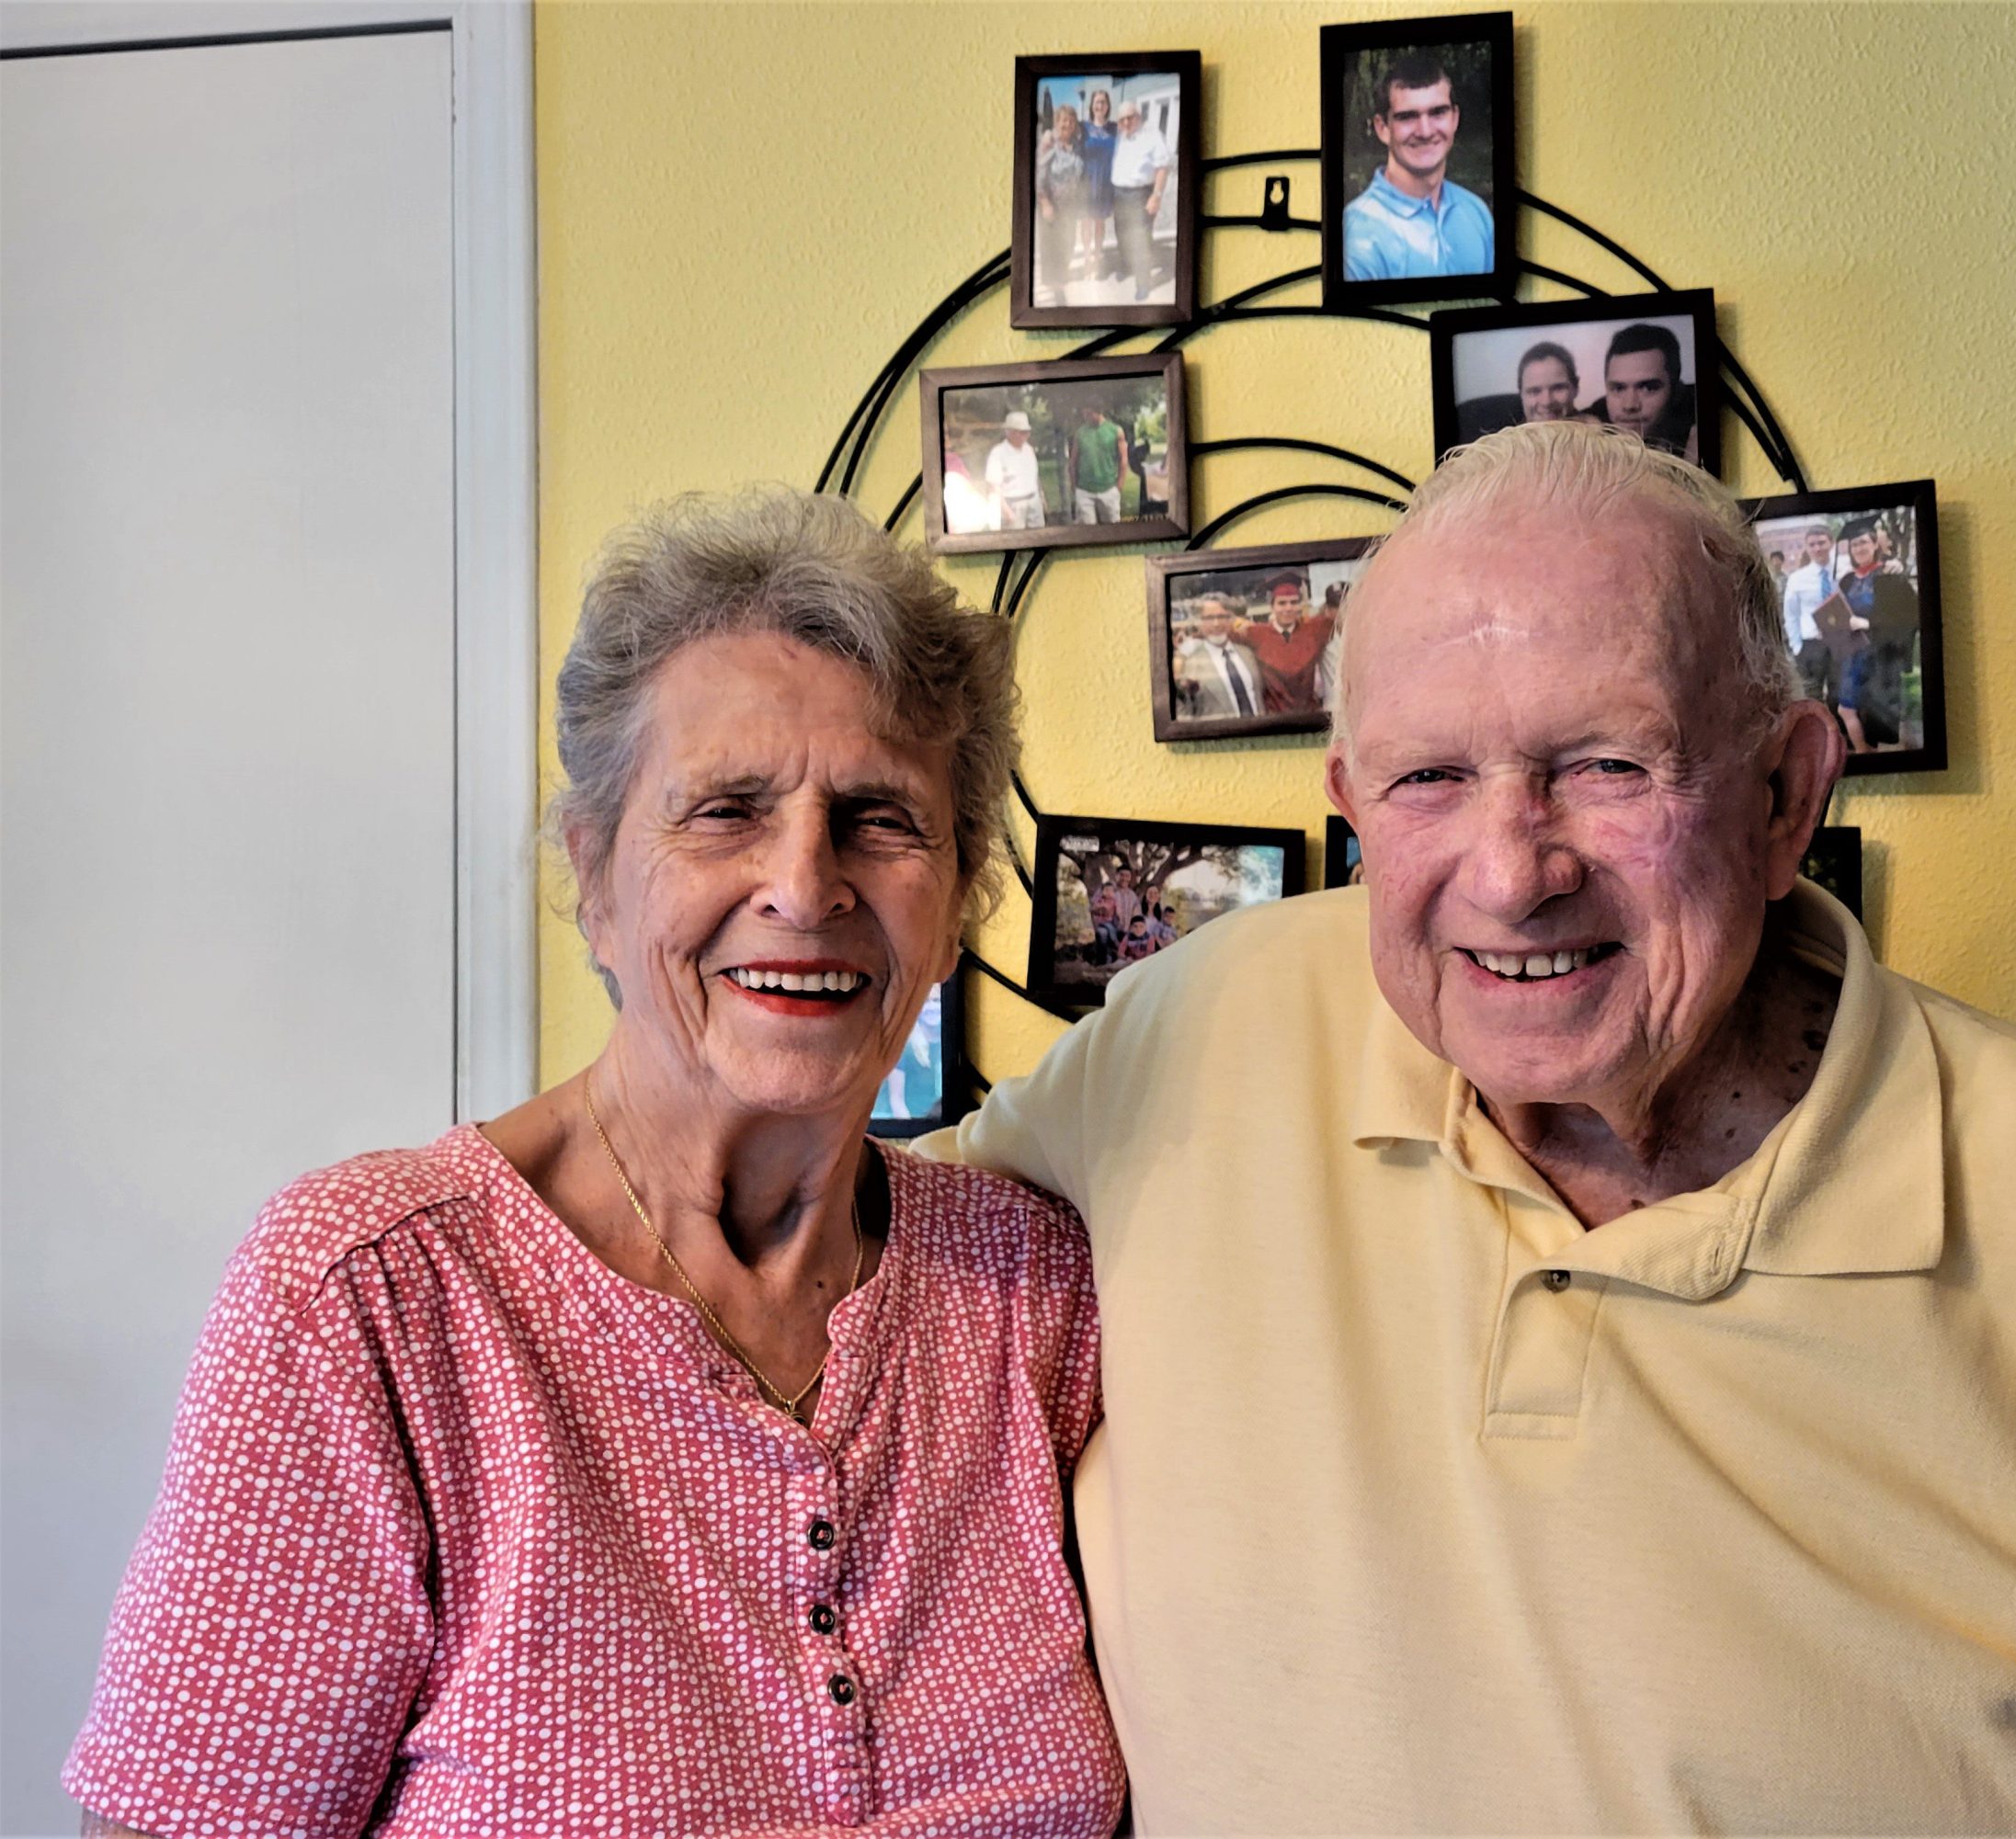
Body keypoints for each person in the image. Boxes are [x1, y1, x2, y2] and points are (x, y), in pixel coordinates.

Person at [926, 421, 2016, 1833]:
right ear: (1352, 804)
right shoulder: (1201, 1036)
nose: (1512, 872)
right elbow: (803, 1279)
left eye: (1608, 765)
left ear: (1788, 792)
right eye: (1429, 779)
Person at [67, 489, 1124, 1837]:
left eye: (880, 818)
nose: (806, 885)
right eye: (727, 810)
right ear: (596, 878)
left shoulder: (1035, 1293)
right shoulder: (372, 1305)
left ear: (960, 889)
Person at [1339, 49, 1495, 283]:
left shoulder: (1476, 212)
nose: (1425, 131)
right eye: (1408, 116)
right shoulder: (1358, 234)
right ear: (1382, 128)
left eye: (1438, 112)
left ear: (1455, 118)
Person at [1833, 514, 1921, 750]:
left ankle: (1886, 757)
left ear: (1874, 544)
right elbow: (1841, 613)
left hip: (1881, 655)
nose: (1859, 548)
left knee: (1880, 713)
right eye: (1854, 544)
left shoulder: (1889, 576)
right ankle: (1864, 753)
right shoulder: (1847, 581)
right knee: (1846, 708)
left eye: (1863, 542)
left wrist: (1867, 623)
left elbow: (1909, 617)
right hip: (1853, 654)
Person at [1584, 322, 1701, 462]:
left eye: (1648, 388)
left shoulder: (1697, 419)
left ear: (1676, 390)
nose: (1629, 405)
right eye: (1619, 388)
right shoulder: (1591, 423)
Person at [1232, 570, 1336, 716]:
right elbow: (1222, 633)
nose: (1288, 608)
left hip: (1310, 715)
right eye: (1282, 603)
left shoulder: (1315, 629)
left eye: (1294, 602)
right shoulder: (1255, 633)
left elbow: (1340, 618)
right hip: (1274, 718)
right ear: (1272, 607)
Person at [1107, 98, 1172, 303]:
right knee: (1122, 234)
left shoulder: (1152, 136)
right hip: (1119, 194)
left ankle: (1143, 283)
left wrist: (1157, 195)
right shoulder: (1119, 137)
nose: (1126, 122)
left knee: (1141, 240)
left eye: (1130, 117)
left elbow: (1163, 167)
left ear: (1139, 117)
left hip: (1140, 195)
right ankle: (1127, 267)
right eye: (1122, 119)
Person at [1779, 518, 1845, 704]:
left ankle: (1838, 732)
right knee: (1812, 698)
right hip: (1810, 646)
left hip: (1839, 643)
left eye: (1822, 543)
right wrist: (1797, 646)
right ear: (1807, 548)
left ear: (1831, 543)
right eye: (1812, 544)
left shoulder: (1844, 571)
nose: (1817, 548)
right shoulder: (1797, 578)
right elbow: (1790, 614)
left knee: (1838, 696)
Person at [1171, 592, 1264, 720]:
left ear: (1231, 619)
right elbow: (1181, 709)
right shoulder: (1189, 663)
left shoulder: (1247, 654)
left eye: (1222, 617)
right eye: (1209, 618)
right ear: (1199, 622)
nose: (1216, 624)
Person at [1033, 103, 1088, 307]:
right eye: (1064, 120)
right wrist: (1045, 203)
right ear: (1057, 122)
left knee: (1069, 243)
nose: (1068, 124)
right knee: (1051, 246)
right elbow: (1040, 176)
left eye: (1072, 121)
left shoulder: (1076, 147)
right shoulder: (1049, 144)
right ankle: (1055, 289)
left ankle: (1060, 276)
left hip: (1070, 206)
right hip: (1051, 204)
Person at [984, 409, 1044, 529]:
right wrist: (1006, 511)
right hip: (1013, 504)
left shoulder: (1029, 450)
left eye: (1027, 432)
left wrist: (1041, 497)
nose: (1025, 435)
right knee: (1015, 541)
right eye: (1021, 432)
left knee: (1040, 540)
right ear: (1009, 432)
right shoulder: (998, 453)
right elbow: (994, 486)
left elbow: (1034, 476)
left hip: (1034, 501)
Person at [1067, 403, 1127, 525]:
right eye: (1084, 413)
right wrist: (1074, 485)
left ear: (1099, 411)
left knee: (1112, 529)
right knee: (1088, 531)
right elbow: (1073, 461)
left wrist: (1119, 485)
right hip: (1085, 490)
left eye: (1089, 414)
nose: (1085, 417)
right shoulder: (1080, 433)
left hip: (1108, 488)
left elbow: (1123, 459)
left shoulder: (1115, 431)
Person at [1078, 89, 1116, 280]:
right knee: (1086, 221)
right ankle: (1087, 258)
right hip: (1087, 181)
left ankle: (1098, 256)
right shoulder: (1083, 128)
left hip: (1105, 182)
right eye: (1097, 102)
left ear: (1108, 106)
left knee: (1100, 223)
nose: (1099, 105)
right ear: (1092, 105)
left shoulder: (1114, 129)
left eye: (1103, 102)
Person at [1515, 339, 1584, 423]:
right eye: (1534, 391)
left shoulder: (1597, 430)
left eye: (1558, 388)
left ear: (1576, 388)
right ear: (1521, 394)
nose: (1547, 402)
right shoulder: (1503, 435)